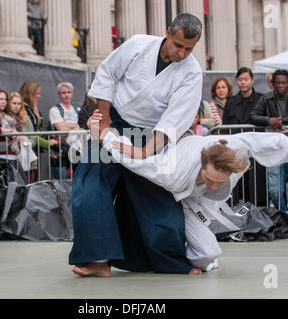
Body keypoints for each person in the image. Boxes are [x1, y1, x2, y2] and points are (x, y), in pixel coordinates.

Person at [88, 110, 288, 271]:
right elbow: (132, 160)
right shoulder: (171, 171)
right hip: (184, 198)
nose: (212, 185)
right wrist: (107, 135)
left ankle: (199, 257)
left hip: (203, 198)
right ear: (202, 165)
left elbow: (263, 140)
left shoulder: (233, 150)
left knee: (207, 255)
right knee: (191, 244)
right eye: (209, 179)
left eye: (218, 182)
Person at [69, 13, 203, 277]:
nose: (182, 53)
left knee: (157, 198)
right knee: (89, 184)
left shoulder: (192, 72)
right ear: (168, 32)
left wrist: (144, 152)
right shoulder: (139, 44)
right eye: (178, 45)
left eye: (189, 48)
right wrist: (105, 117)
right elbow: (107, 72)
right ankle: (97, 261)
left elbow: (173, 120)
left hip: (151, 137)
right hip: (116, 126)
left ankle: (170, 261)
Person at [250, 69, 288, 236]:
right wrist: (268, 120)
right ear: (273, 84)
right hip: (274, 150)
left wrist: (283, 120)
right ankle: (284, 219)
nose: (281, 86)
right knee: (274, 190)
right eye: (278, 82)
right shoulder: (266, 98)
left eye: (284, 82)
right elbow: (253, 116)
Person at [222, 67, 266, 206]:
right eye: (240, 79)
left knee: (256, 184)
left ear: (252, 81)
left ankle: (256, 211)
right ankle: (239, 212)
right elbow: (225, 125)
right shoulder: (231, 102)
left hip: (255, 148)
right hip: (236, 149)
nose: (243, 82)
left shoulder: (261, 99)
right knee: (238, 184)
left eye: (246, 79)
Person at [19, 80, 56, 181]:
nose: (39, 96)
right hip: (26, 150)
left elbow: (35, 132)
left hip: (33, 150)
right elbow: (31, 133)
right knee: (28, 180)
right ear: (30, 94)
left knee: (33, 179)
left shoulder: (32, 109)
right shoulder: (23, 110)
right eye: (37, 93)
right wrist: (47, 143)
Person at [48, 82, 81, 179]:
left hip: (77, 150)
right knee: (62, 183)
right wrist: (75, 126)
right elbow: (61, 129)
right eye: (63, 92)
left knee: (77, 181)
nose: (66, 95)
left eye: (69, 92)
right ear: (59, 94)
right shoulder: (54, 110)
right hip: (60, 151)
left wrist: (66, 125)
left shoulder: (77, 110)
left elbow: (81, 126)